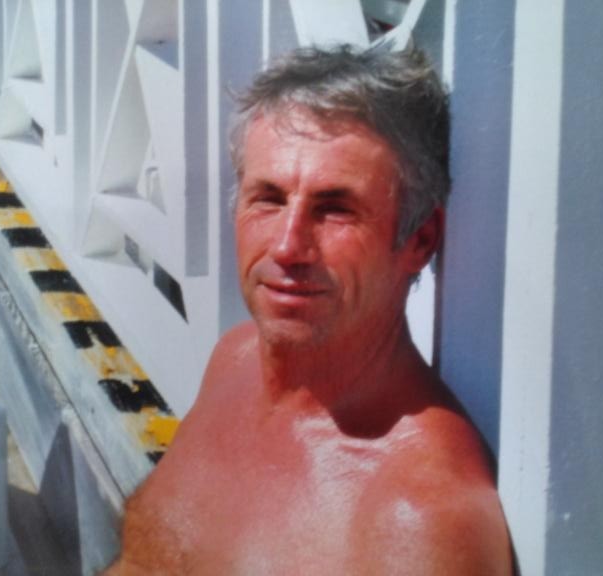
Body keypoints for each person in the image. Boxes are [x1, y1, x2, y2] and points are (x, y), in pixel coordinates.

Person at [105, 44, 512, 575]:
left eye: (335, 208)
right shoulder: (235, 357)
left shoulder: (418, 518)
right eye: (269, 198)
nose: (286, 246)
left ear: (420, 239)